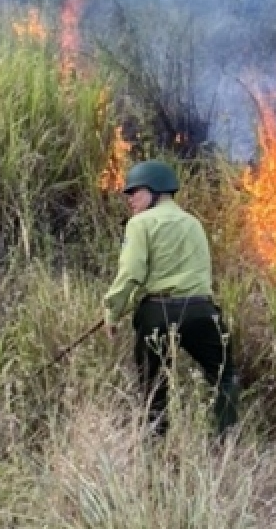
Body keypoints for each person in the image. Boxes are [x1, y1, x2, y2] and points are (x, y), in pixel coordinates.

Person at [103, 159, 239, 435]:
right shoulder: (194, 223)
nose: (130, 199)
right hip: (201, 311)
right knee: (225, 377)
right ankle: (227, 442)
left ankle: (155, 446)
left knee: (152, 383)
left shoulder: (140, 224)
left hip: (158, 311)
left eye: (135, 192)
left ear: (155, 190)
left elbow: (131, 273)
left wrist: (113, 311)